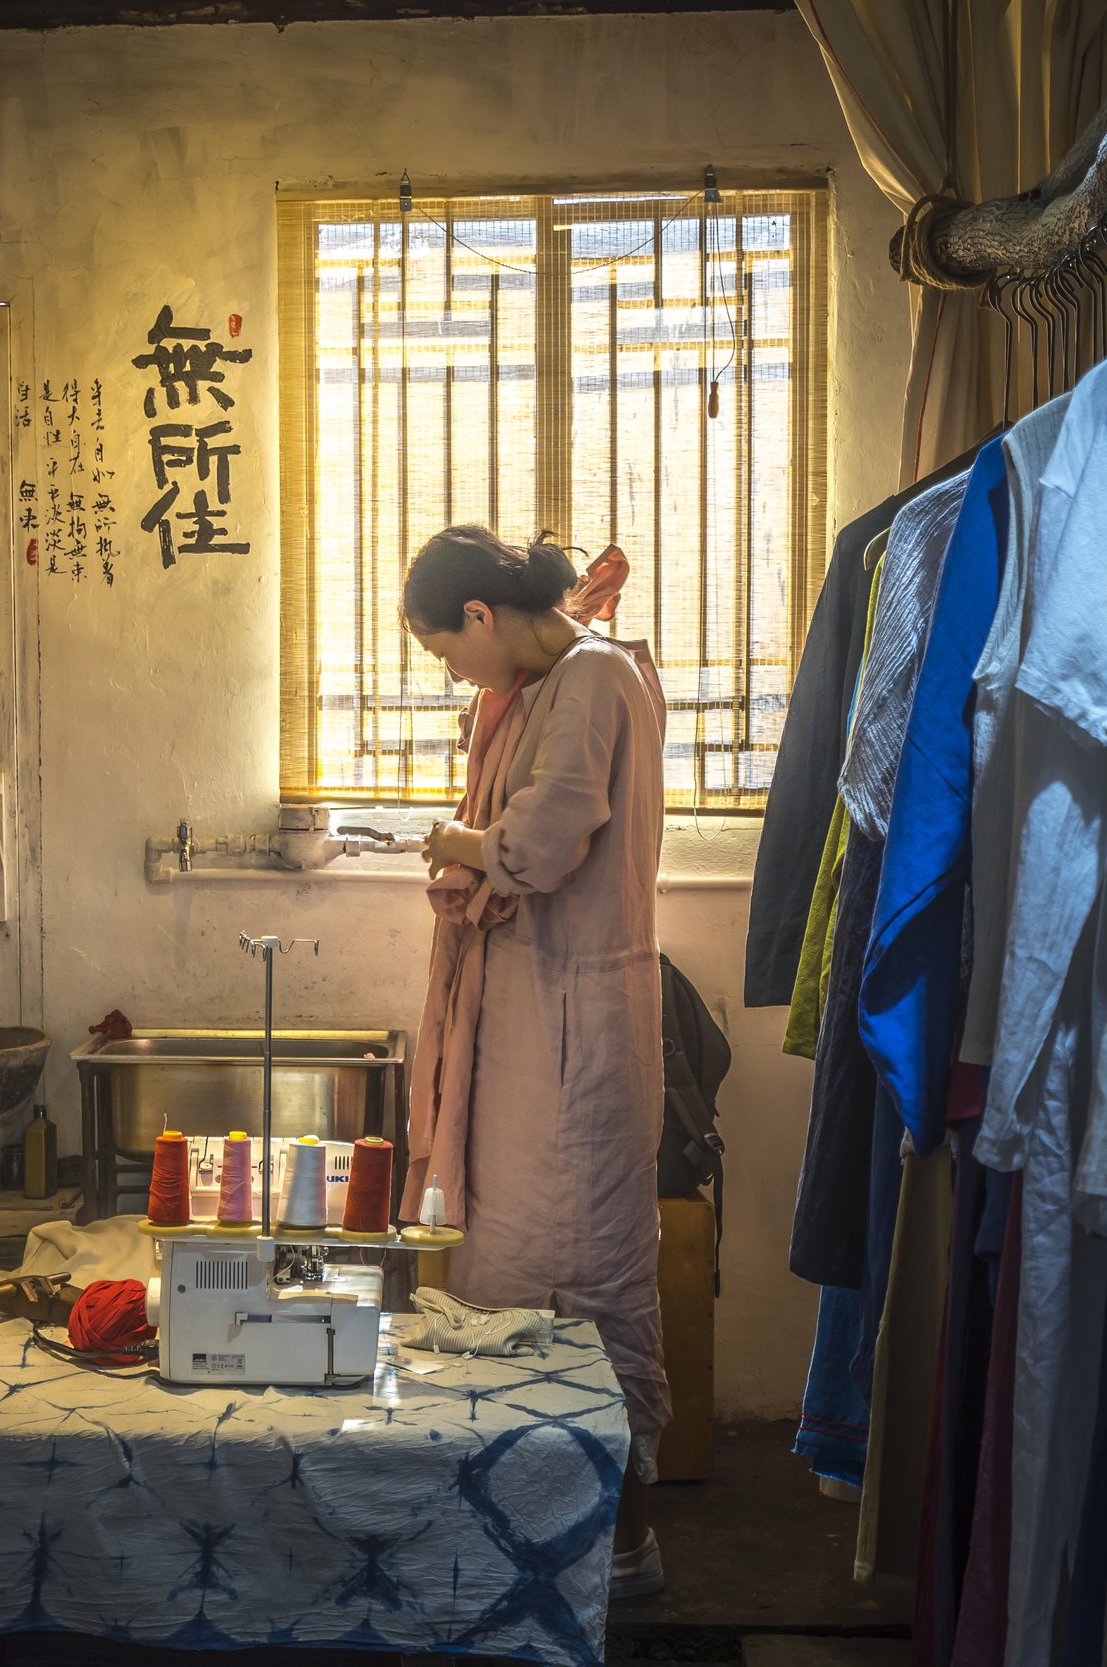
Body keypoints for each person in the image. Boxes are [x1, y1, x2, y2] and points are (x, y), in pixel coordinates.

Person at [400, 524, 671, 1598]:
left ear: (480, 615)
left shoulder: (594, 678)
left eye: (441, 648)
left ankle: (618, 1550)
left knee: (589, 1278)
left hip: (576, 1028)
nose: (450, 670)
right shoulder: (548, 681)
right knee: (516, 1266)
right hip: (535, 1013)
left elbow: (538, 843)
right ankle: (532, 1531)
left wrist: (461, 841)